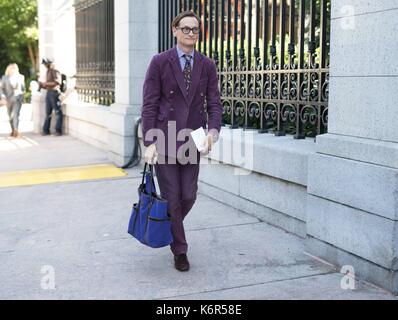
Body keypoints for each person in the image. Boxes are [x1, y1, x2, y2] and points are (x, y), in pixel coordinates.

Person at [141, 11, 223, 272]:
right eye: (185, 28)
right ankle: (180, 249)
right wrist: (149, 141)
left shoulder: (206, 65)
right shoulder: (159, 62)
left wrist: (213, 132)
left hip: (193, 141)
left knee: (188, 195)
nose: (190, 33)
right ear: (174, 30)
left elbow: (215, 104)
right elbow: (150, 104)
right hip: (165, 138)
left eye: (195, 30)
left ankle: (167, 225)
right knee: (172, 197)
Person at [0, 63, 25, 138]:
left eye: (14, 68)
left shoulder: (21, 77)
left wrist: (22, 95)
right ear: (8, 69)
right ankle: (13, 129)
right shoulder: (4, 78)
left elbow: (23, 88)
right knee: (10, 116)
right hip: (8, 99)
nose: (12, 69)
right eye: (11, 68)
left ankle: (16, 130)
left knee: (16, 114)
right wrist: (3, 98)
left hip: (18, 99)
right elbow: (2, 89)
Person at [39, 59, 63, 136]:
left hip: (54, 93)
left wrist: (45, 83)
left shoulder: (55, 70)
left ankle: (58, 130)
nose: (45, 66)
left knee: (57, 112)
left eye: (46, 64)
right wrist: (42, 85)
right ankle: (46, 130)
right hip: (49, 92)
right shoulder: (48, 71)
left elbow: (57, 82)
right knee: (48, 113)